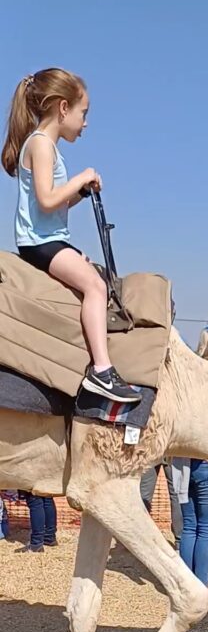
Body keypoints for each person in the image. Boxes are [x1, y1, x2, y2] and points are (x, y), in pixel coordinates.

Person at [1, 68, 140, 404]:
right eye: (84, 113)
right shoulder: (42, 145)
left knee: (92, 278)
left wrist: (80, 192)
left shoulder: (45, 146)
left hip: (48, 238)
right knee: (96, 286)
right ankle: (102, 371)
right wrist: (81, 178)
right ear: (63, 108)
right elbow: (48, 200)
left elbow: (54, 204)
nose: (85, 123)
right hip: (40, 242)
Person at [172, 334, 208, 604]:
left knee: (189, 528)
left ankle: (185, 586)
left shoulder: (185, 384)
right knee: (207, 529)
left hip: (184, 465)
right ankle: (202, 587)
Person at [140, 460, 182, 548]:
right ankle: (180, 540)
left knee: (144, 497)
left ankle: (141, 538)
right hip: (171, 452)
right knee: (176, 495)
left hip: (150, 452)